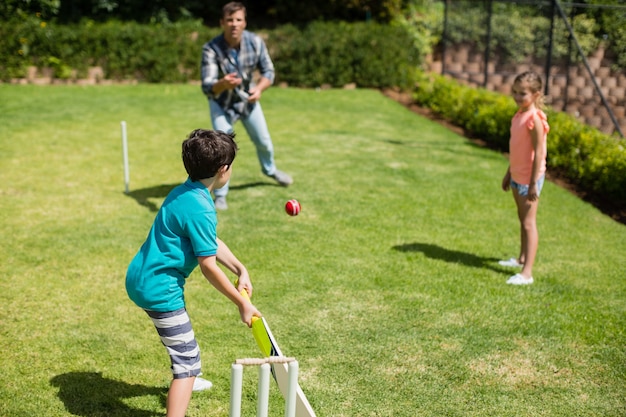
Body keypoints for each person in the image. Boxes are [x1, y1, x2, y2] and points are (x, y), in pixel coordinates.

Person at [125, 129, 262, 417]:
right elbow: (207, 264)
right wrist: (243, 304)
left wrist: (240, 268)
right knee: (187, 360)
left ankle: (187, 379)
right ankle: (185, 380)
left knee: (182, 344)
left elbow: (208, 241)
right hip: (160, 288)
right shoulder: (201, 207)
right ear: (223, 170)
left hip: (143, 277)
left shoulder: (186, 191)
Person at [200, 1, 293, 210]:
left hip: (247, 101)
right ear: (222, 22)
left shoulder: (255, 42)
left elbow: (269, 72)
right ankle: (221, 194)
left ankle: (270, 171)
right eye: (230, 20)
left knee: (264, 141)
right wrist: (223, 83)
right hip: (221, 103)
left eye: (238, 20)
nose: (234, 24)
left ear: (244, 22)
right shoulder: (211, 49)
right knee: (222, 150)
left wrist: (259, 89)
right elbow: (207, 87)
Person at [499, 71, 549, 285]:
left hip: (530, 181)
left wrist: (532, 185)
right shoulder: (519, 115)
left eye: (523, 94)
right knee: (522, 220)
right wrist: (508, 173)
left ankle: (527, 274)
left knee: (529, 224)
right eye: (516, 92)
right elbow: (518, 149)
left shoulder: (534, 119)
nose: (518, 97)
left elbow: (538, 153)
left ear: (536, 94)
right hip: (517, 176)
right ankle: (520, 260)